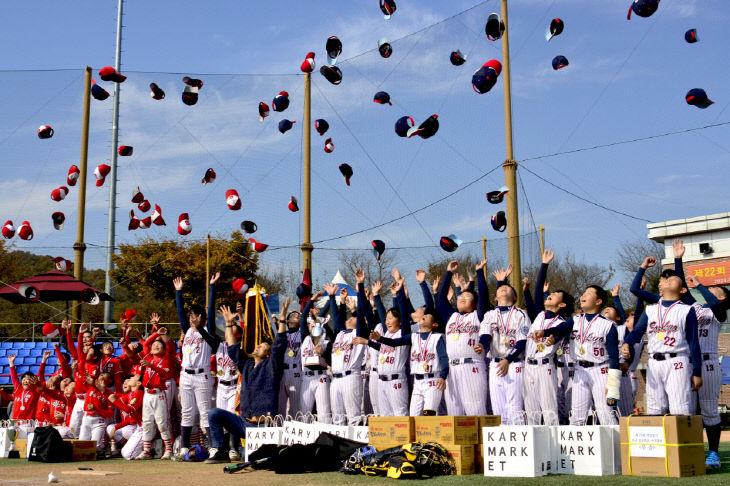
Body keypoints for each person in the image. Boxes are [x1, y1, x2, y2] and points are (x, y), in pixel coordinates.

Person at [205, 304, 287, 464]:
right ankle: (219, 449)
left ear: (268, 353)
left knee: (253, 460)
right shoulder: (247, 365)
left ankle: (247, 451)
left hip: (263, 427)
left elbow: (280, 344)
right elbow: (233, 347)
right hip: (243, 422)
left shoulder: (272, 365)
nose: (258, 346)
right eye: (258, 345)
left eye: (263, 346)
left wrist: (282, 319)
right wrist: (229, 324)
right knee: (214, 414)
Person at [622, 258, 702, 417]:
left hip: (677, 360)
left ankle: (679, 441)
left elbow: (694, 343)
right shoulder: (651, 309)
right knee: (654, 408)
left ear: (682, 289)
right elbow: (637, 331)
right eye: (664, 279)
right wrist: (626, 343)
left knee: (680, 407)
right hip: (654, 361)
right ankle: (658, 442)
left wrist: (697, 372)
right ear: (660, 287)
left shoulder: (686, 310)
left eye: (671, 279)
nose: (667, 279)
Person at [536, 285, 620, 425]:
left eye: (589, 293)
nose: (583, 296)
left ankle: (618, 447)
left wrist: (613, 389)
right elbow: (562, 329)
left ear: (598, 301)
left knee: (606, 414)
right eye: (583, 293)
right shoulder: (576, 320)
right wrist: (545, 333)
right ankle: (579, 447)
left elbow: (614, 357)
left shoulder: (608, 325)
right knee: (576, 417)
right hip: (579, 370)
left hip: (601, 370)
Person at [370, 277, 448, 416]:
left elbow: (443, 359)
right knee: (412, 417)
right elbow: (392, 342)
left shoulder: (433, 337)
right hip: (415, 381)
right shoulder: (412, 336)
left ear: (434, 324)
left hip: (430, 379)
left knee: (428, 414)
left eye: (426, 315)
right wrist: (379, 339)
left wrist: (399, 294)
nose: (423, 314)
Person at [523, 250, 574, 426]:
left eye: (556, 294)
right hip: (528, 366)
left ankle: (553, 450)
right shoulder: (539, 315)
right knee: (531, 413)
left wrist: (553, 338)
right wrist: (544, 265)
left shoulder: (562, 322)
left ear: (562, 304)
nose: (550, 294)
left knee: (549, 411)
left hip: (545, 367)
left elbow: (559, 335)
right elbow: (538, 292)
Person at [174, 273, 220, 456]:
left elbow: (212, 310)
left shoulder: (208, 331)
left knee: (204, 413)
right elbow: (180, 313)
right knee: (187, 413)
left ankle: (214, 447)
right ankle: (184, 447)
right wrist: (178, 292)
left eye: (195, 315)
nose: (191, 318)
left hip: (202, 376)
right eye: (190, 316)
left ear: (202, 317)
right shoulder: (187, 331)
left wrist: (212, 287)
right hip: (185, 375)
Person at [436, 260, 490, 415]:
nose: (462, 297)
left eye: (468, 296)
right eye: (461, 295)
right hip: (452, 369)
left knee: (476, 409)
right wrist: (448, 272)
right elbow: (441, 299)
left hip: (472, 365)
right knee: (454, 412)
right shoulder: (451, 316)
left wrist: (479, 272)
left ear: (474, 304)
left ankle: (480, 439)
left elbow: (484, 297)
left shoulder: (477, 316)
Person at [479, 263, 530, 425]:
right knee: (498, 409)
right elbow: (486, 334)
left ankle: (520, 445)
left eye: (508, 289)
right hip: (495, 364)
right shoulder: (490, 314)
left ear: (515, 297)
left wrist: (508, 359)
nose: (504, 289)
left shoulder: (520, 314)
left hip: (514, 363)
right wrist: (481, 344)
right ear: (495, 298)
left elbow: (523, 341)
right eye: (501, 289)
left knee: (514, 407)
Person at [365, 273, 411, 416]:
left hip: (396, 382)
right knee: (385, 419)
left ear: (400, 321)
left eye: (391, 318)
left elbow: (403, 312)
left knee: (400, 416)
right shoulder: (386, 333)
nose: (387, 321)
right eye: (386, 319)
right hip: (381, 382)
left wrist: (400, 293)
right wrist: (376, 295)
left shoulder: (403, 333)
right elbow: (379, 311)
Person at [330, 268, 368, 425]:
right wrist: (335, 298)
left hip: (351, 376)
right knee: (337, 419)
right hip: (336, 378)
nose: (348, 319)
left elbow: (359, 315)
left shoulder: (358, 333)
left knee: (354, 417)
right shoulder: (340, 333)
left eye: (352, 318)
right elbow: (337, 318)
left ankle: (356, 447)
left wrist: (359, 286)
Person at [299, 291, 333, 421]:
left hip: (321, 377)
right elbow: (303, 317)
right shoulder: (305, 338)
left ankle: (324, 440)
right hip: (307, 377)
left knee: (324, 413)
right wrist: (311, 300)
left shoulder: (326, 341)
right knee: (304, 413)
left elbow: (331, 361)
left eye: (316, 325)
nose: (313, 326)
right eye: (311, 325)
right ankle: (304, 441)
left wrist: (323, 353)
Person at [277, 297, 302, 417]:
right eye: (293, 314)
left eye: (298, 314)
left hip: (296, 371)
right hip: (282, 371)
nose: (296, 314)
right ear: (287, 321)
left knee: (296, 407)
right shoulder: (282, 334)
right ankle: (279, 432)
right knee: (280, 407)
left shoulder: (302, 333)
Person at [107, 376, 143, 457]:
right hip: (138, 426)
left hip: (142, 426)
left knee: (128, 455)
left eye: (133, 377)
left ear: (138, 383)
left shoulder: (139, 393)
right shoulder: (132, 394)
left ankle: (149, 447)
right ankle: (138, 446)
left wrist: (114, 401)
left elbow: (128, 410)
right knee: (124, 452)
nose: (131, 378)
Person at [6, 353, 42, 421]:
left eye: (28, 379)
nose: (25, 381)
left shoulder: (35, 391)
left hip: (29, 422)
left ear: (32, 381)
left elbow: (38, 384)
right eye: (24, 380)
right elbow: (14, 377)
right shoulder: (18, 389)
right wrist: (11, 363)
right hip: (15, 421)